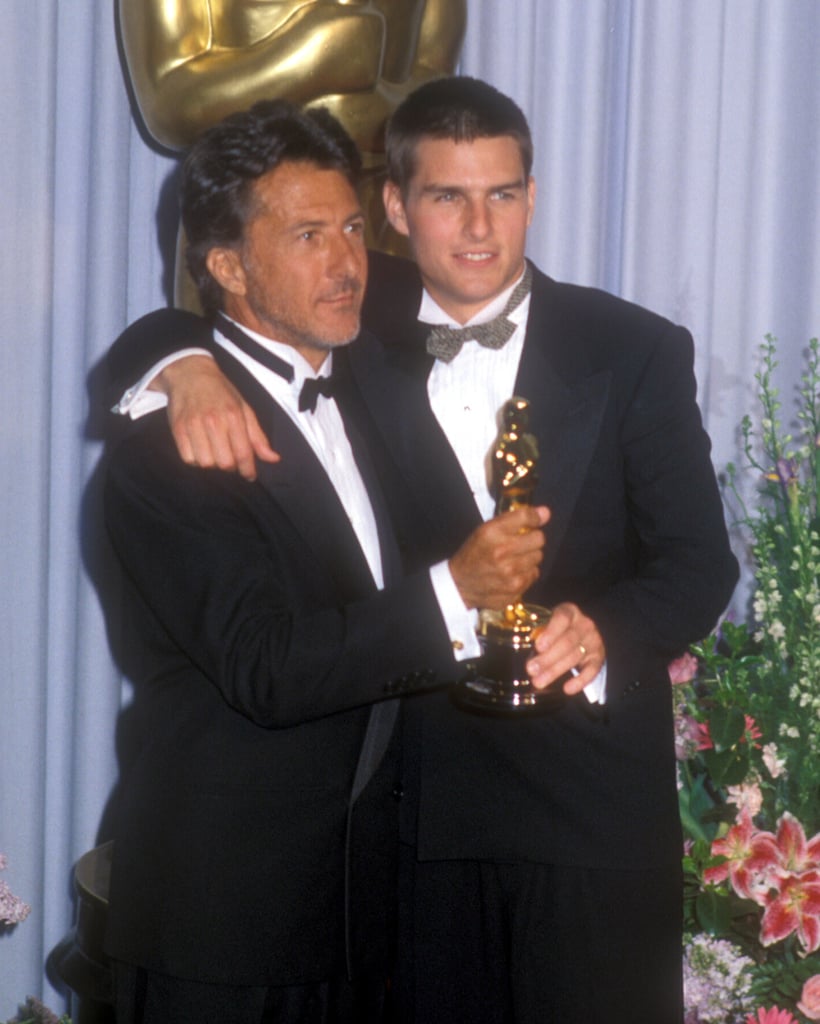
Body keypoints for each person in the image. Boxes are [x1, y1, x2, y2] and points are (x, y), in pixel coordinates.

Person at [107, 78, 739, 1023]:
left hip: (593, 810)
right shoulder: (355, 324)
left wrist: (604, 628)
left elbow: (701, 564)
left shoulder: (633, 345)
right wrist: (178, 362)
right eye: (447, 196)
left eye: (503, 194)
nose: (479, 229)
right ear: (399, 210)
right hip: (418, 822)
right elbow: (225, 303)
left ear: (533, 196)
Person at [101, 96, 549, 1024]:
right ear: (228, 266)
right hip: (225, 927)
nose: (348, 263)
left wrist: (173, 350)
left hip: (368, 920)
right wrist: (456, 592)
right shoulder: (170, 451)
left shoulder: (371, 374)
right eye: (309, 236)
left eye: (351, 226)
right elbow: (268, 668)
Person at [118, 0, 467, 300]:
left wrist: (360, 109)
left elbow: (439, 87)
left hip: (388, 222)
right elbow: (166, 105)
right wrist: (311, 55)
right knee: (235, 356)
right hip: (248, 222)